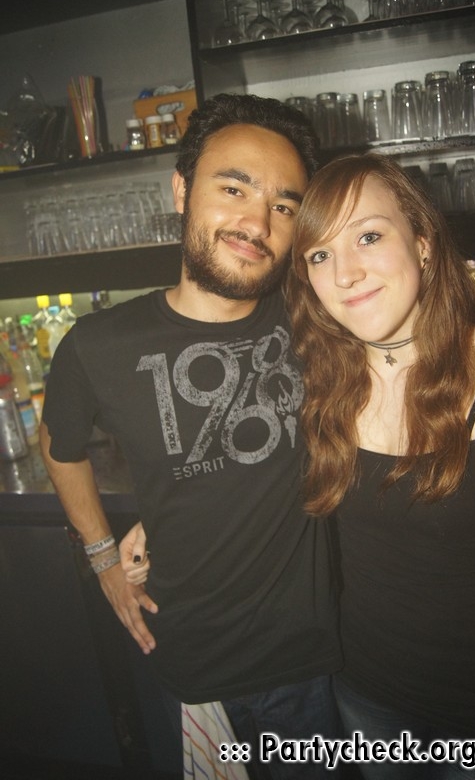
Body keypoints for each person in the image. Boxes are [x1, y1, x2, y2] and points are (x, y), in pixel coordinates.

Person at [39, 93, 345, 780]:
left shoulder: (321, 315)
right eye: (233, 188)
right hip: (194, 665)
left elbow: (432, 319)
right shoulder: (96, 345)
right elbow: (61, 450)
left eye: (284, 206)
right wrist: (103, 559)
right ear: (181, 191)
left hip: (314, 664)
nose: (257, 223)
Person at [285, 152, 475, 779]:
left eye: (369, 236)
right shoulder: (321, 380)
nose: (346, 273)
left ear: (423, 243)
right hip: (367, 697)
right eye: (320, 254)